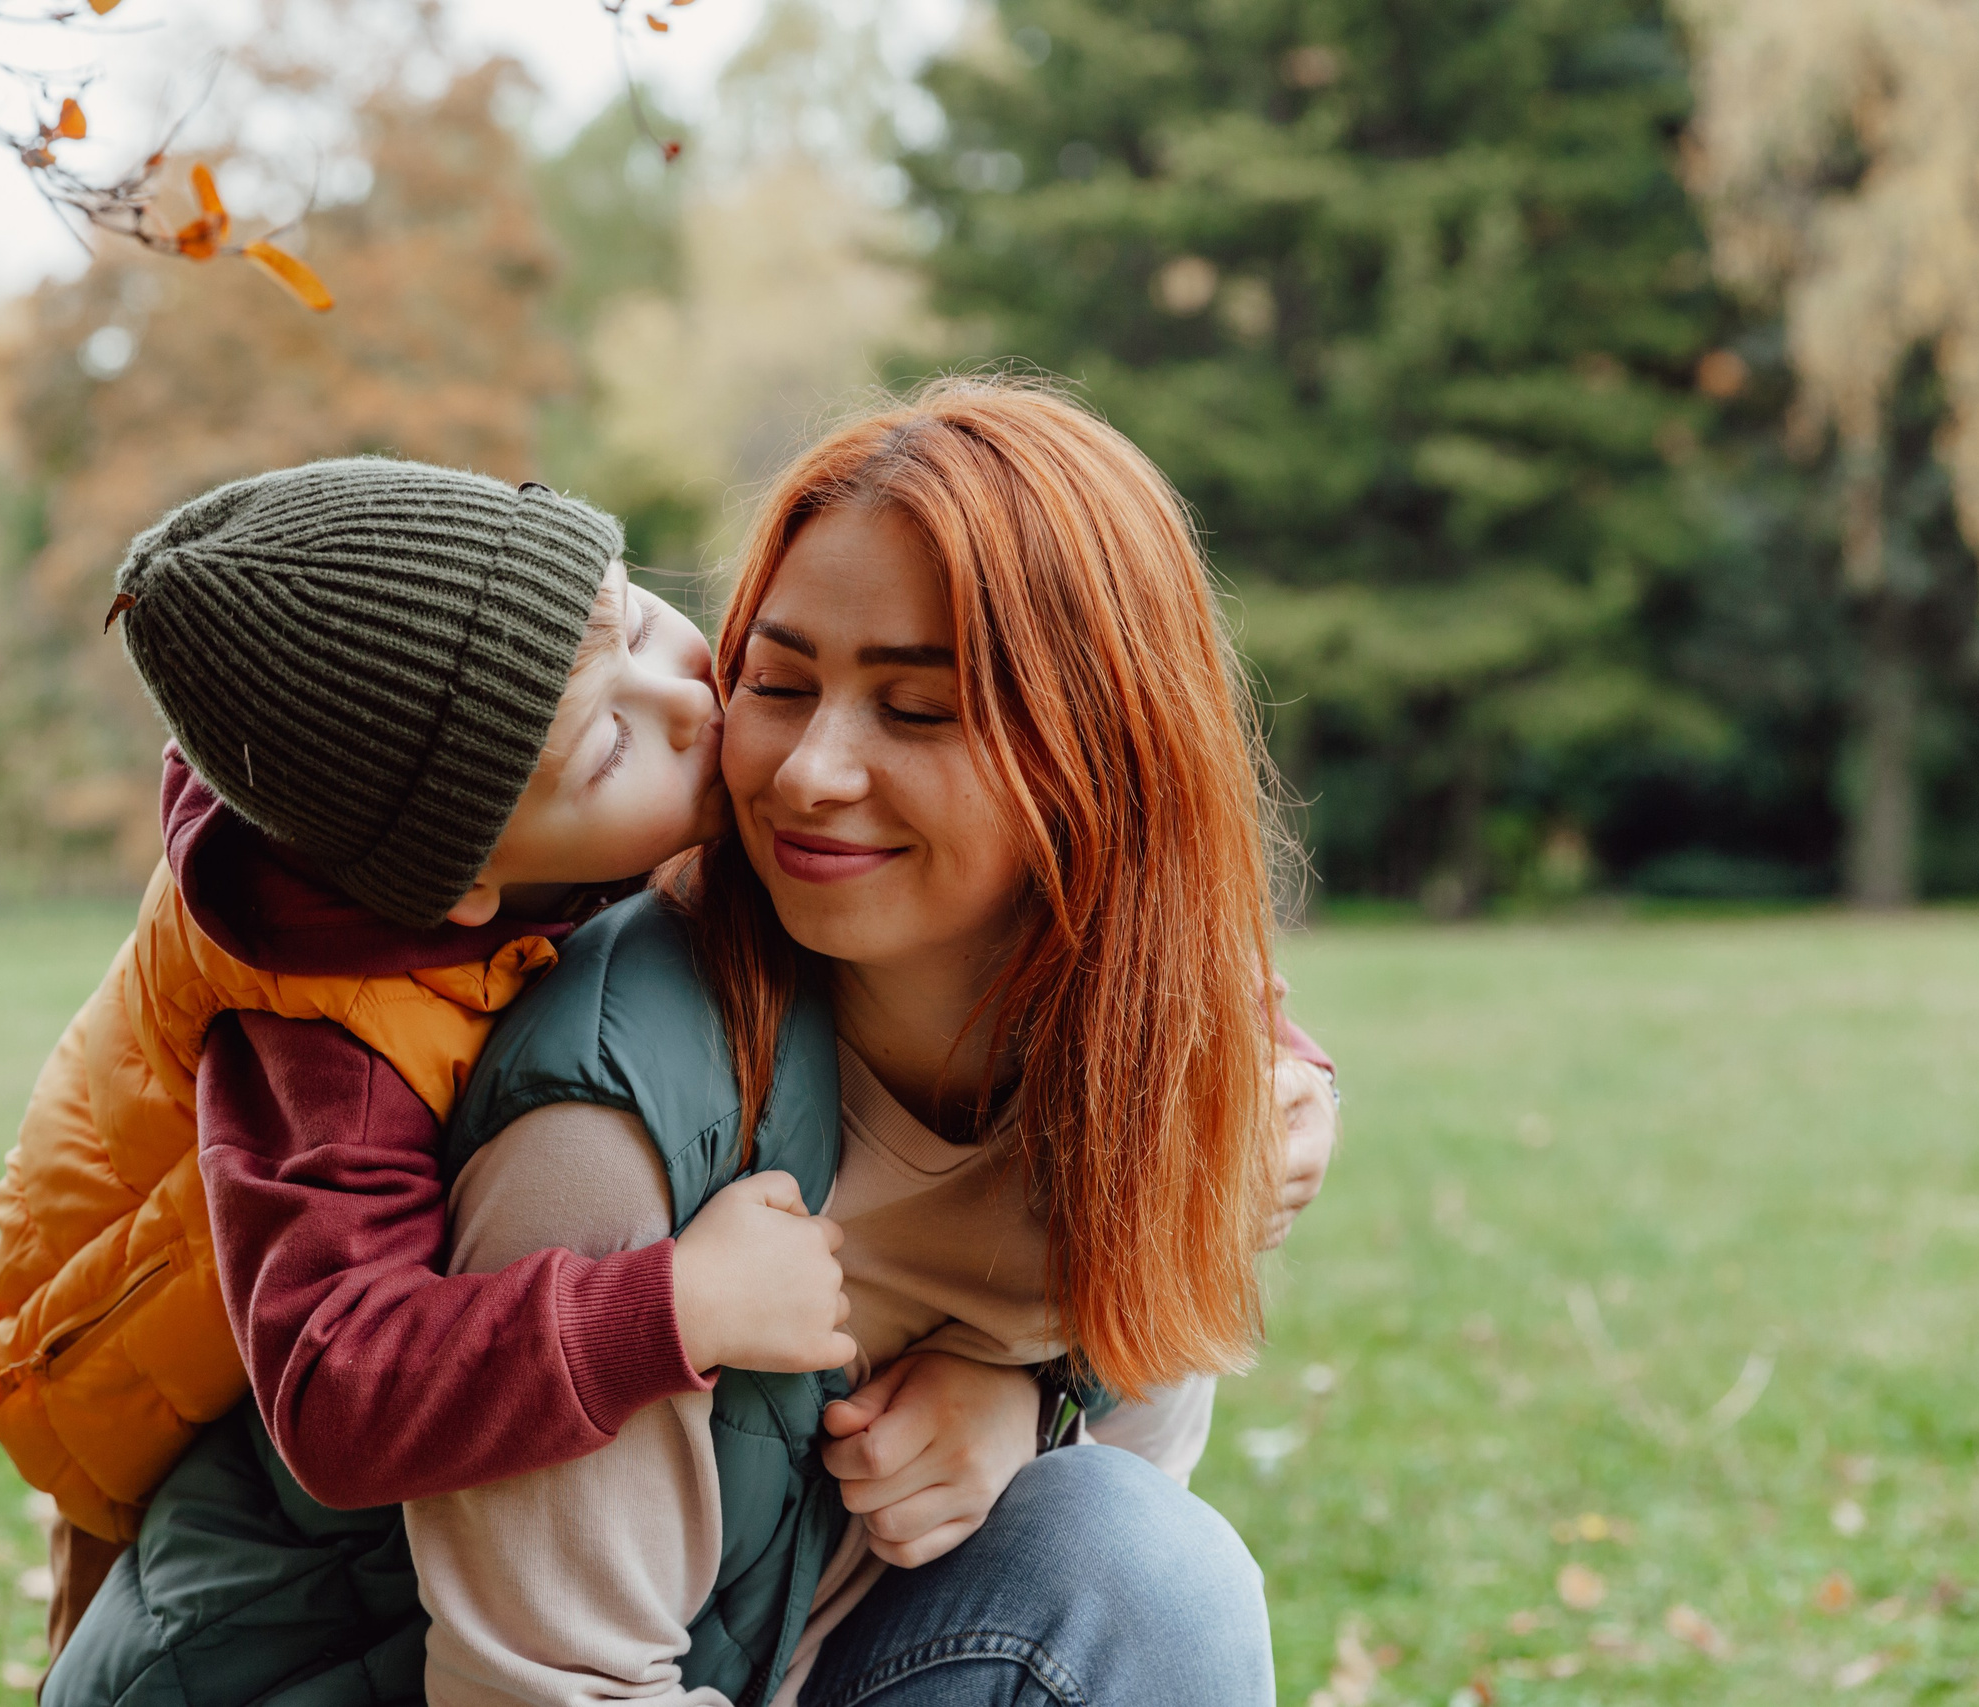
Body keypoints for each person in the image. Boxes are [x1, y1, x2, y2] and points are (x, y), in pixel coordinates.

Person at [402, 379, 1304, 1705]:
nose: (811, 769)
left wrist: (1021, 1397)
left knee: (1134, 1557)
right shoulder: (606, 1132)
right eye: (775, 681)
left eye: (918, 707)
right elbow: (548, 1690)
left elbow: (1123, 1557)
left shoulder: (1151, 1067)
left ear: (1107, 748)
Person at [0, 459, 861, 1657]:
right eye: (608, 746)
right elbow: (336, 1392)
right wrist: (678, 1306)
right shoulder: (327, 1049)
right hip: (138, 1397)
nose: (691, 700)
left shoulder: (481, 841)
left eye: (638, 614)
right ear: (465, 890)